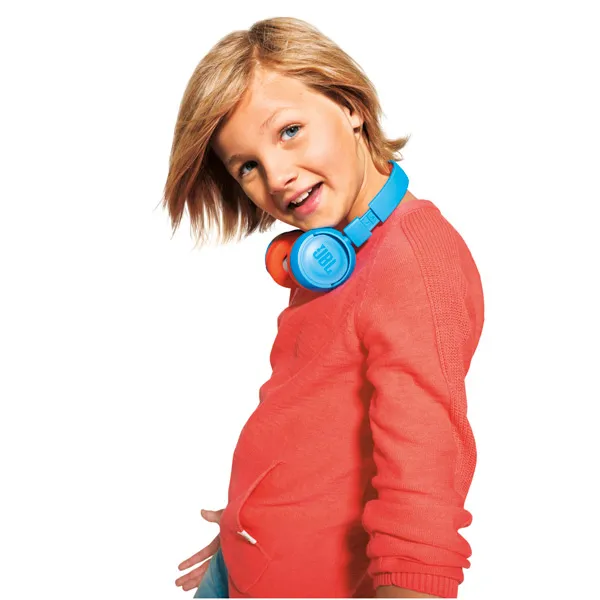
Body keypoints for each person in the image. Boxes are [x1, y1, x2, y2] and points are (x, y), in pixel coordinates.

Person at [167, 16, 485, 599]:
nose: (277, 177)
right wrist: (254, 517)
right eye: (247, 166)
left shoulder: (413, 262)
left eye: (289, 131)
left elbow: (423, 490)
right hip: (247, 562)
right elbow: (314, 419)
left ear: (350, 105)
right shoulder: (341, 249)